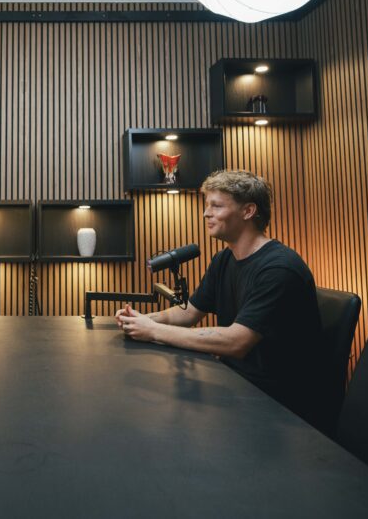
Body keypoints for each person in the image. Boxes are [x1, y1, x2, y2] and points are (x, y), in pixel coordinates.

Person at [116, 170, 326, 428]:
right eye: (207, 206)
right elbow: (189, 312)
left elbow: (236, 342)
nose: (206, 214)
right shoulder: (224, 259)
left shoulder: (279, 269)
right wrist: (140, 320)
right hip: (241, 386)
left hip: (283, 409)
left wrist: (153, 331)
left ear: (248, 211)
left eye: (216, 206)